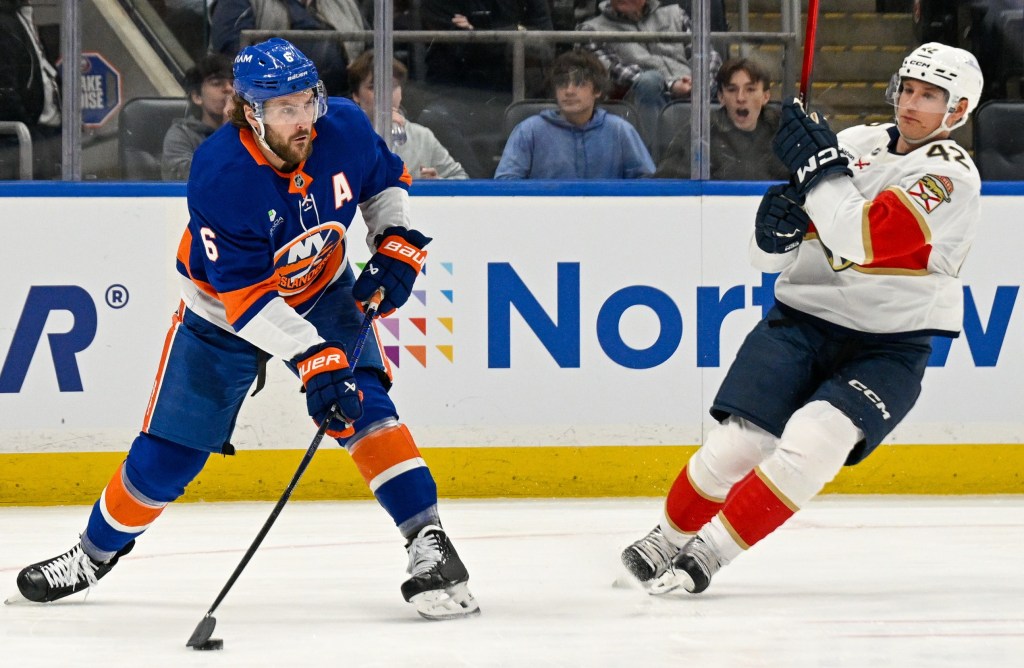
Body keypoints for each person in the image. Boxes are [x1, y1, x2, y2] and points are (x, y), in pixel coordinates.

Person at [15, 38, 480, 622]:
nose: (303, 119)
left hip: (323, 284)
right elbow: (248, 300)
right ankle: (92, 555)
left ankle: (428, 542)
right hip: (223, 312)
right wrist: (315, 359)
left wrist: (394, 241)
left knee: (366, 404)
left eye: (308, 101)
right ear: (249, 112)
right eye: (284, 109)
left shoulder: (345, 126)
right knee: (170, 456)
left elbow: (384, 182)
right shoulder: (221, 172)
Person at [620, 43, 984, 595]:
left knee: (816, 442)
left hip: (889, 345)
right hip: (803, 319)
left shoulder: (950, 177)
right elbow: (769, 257)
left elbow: (859, 236)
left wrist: (818, 175)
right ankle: (666, 537)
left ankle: (710, 554)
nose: (911, 103)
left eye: (929, 95)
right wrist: (773, 236)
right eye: (908, 89)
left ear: (957, 110)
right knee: (735, 447)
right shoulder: (856, 143)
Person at [577, 0, 722, 144]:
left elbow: (707, 54)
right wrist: (671, 85)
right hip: (640, 98)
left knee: (731, 82)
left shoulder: (676, 14)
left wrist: (700, 82)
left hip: (694, 88)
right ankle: (653, 163)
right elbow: (613, 70)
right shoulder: (591, 29)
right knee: (650, 81)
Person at [494, 49, 654, 179]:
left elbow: (647, 182)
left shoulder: (620, 130)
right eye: (562, 84)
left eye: (579, 84)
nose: (569, 91)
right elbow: (505, 184)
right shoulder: (528, 130)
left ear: (597, 90)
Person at [655, 57, 789, 180]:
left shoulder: (783, 131)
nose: (740, 98)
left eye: (750, 89)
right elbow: (664, 185)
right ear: (721, 97)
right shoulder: (701, 132)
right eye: (732, 90)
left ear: (766, 96)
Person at [347, 51, 469, 180]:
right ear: (356, 95)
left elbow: (461, 180)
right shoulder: (343, 138)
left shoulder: (422, 137)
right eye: (373, 87)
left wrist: (437, 183)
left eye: (392, 86)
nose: (385, 94)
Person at [210, 0, 368, 96]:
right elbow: (232, 54)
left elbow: (371, 49)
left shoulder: (344, 4)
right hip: (274, 101)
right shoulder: (235, 3)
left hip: (342, 99)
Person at [420, 0, 554, 94]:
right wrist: (518, 31)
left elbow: (545, 40)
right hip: (454, 90)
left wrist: (476, 32)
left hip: (514, 89)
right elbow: (461, 46)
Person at [0, 0, 60, 180]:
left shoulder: (22, 15)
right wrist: (31, 130)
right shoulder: (4, 23)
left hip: (44, 131)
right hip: (21, 138)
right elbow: (6, 94)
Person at [161, 53, 235, 181]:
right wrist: (228, 132)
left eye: (233, 83)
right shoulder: (182, 134)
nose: (229, 89)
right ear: (197, 97)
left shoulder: (256, 130)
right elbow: (186, 178)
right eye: (217, 83)